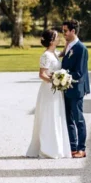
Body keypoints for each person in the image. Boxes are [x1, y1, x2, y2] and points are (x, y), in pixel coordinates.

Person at [26, 30, 71, 159]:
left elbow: (63, 52)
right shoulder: (45, 55)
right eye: (57, 37)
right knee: (49, 116)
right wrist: (55, 81)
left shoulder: (54, 54)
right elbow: (42, 74)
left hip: (56, 90)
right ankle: (48, 148)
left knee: (56, 115)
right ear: (51, 41)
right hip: (49, 90)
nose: (59, 39)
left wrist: (68, 41)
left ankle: (57, 146)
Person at [61, 20, 90, 158]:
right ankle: (72, 147)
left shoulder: (81, 48)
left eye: (65, 31)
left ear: (73, 31)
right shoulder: (68, 46)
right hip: (66, 88)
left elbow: (79, 72)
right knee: (68, 119)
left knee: (78, 119)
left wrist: (61, 76)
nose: (64, 33)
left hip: (76, 88)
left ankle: (81, 149)